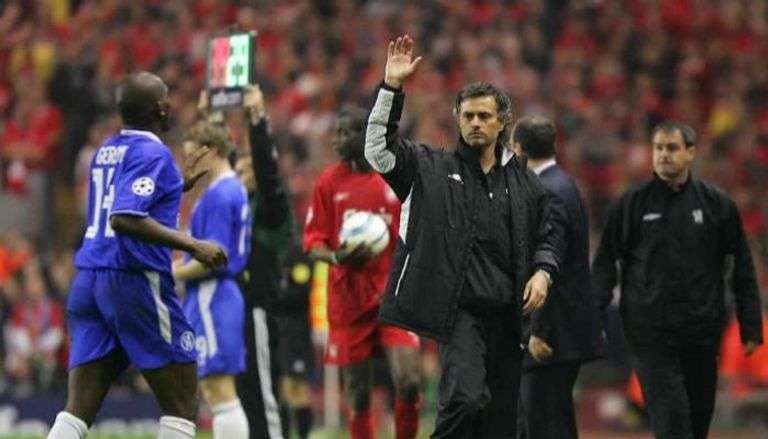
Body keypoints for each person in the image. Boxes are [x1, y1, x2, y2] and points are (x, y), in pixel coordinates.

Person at [365, 35, 560, 438]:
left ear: (502, 122)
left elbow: (547, 235)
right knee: (465, 399)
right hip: (460, 314)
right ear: (457, 118)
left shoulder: (525, 183)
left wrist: (543, 272)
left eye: (484, 116)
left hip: (509, 316)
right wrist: (392, 88)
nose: (475, 123)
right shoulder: (430, 169)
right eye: (468, 115)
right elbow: (378, 151)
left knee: (501, 423)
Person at [48, 72, 227, 439]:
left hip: (89, 280)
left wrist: (174, 184)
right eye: (166, 98)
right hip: (132, 278)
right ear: (159, 109)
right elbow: (124, 218)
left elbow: (124, 200)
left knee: (79, 408)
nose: (171, 104)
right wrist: (194, 245)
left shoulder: (107, 149)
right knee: (182, 403)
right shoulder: (152, 153)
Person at [592, 121, 764, 439]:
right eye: (658, 148)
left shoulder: (717, 205)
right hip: (650, 335)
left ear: (690, 153)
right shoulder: (631, 205)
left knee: (696, 424)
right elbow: (604, 266)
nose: (663, 155)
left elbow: (742, 267)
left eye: (672, 148)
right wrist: (592, 319)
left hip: (701, 333)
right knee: (671, 422)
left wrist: (750, 325)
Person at [304, 103, 422, 439]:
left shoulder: (392, 177)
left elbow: (414, 234)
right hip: (349, 302)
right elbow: (313, 243)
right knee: (358, 394)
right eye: (336, 133)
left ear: (365, 134)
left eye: (345, 133)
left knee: (409, 381)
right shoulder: (328, 183)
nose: (337, 140)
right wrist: (338, 257)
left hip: (393, 297)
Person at [511, 116, 602, 439]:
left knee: (543, 422)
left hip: (552, 334)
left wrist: (539, 330)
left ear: (518, 149)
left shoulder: (547, 191)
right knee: (548, 419)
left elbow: (551, 265)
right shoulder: (564, 184)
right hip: (563, 326)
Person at [173, 121, 251, 439]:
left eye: (194, 156)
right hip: (216, 295)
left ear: (214, 151)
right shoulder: (229, 189)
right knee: (213, 386)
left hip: (213, 295)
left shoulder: (220, 194)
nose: (189, 164)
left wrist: (172, 272)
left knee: (219, 388)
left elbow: (213, 258)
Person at [233, 85, 294, 439]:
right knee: (244, 393)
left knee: (264, 390)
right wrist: (211, 116)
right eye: (238, 172)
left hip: (259, 308)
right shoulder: (236, 209)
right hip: (236, 309)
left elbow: (268, 172)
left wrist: (257, 119)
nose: (241, 177)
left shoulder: (271, 209)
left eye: (247, 171)